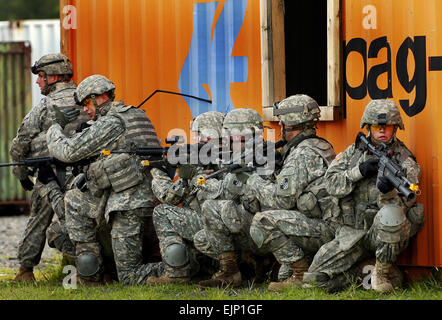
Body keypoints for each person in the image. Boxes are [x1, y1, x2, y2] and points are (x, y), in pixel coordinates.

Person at [46, 74, 162, 285]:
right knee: (74, 200)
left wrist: (55, 128)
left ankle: (181, 266)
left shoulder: (112, 122)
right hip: (141, 196)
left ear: (100, 97)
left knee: (130, 277)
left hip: (130, 203)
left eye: (87, 103)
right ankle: (91, 275)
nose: (84, 109)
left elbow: (68, 151)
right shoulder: (135, 114)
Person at [304, 99, 425, 293]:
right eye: (378, 126)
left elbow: (400, 212)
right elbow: (331, 184)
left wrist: (388, 192)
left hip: (382, 234)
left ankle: (381, 275)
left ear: (396, 128)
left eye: (388, 127)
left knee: (391, 213)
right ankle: (363, 273)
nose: (383, 131)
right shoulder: (353, 153)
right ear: (368, 127)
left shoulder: (405, 162)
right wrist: (358, 171)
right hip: (351, 233)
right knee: (313, 280)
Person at [243, 94, 342, 292]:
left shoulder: (302, 154)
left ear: (289, 124)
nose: (280, 128)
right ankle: (300, 270)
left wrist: (253, 180)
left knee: (263, 221)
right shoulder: (318, 145)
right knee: (282, 274)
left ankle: (300, 275)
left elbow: (281, 201)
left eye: (282, 123)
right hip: (324, 222)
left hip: (327, 229)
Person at [9, 53, 88, 282]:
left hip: (47, 175)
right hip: (82, 177)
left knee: (39, 220)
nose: (37, 82)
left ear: (52, 77)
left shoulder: (44, 106)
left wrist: (21, 174)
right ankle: (85, 268)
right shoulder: (86, 102)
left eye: (40, 76)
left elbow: (20, 144)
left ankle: (25, 271)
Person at [194, 108, 277, 289]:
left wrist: (199, 181)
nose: (227, 139)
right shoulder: (248, 154)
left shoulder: (257, 157)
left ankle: (231, 273)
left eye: (231, 134)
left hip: (266, 226)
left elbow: (224, 192)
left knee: (212, 206)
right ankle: (249, 264)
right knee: (202, 238)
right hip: (254, 224)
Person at [146, 111, 225, 285]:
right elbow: (174, 196)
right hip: (221, 228)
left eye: (201, 136)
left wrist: (190, 176)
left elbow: (169, 199)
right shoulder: (213, 158)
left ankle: (176, 273)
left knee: (162, 212)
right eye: (197, 136)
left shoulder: (225, 160)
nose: (197, 141)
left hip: (217, 226)